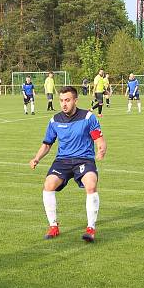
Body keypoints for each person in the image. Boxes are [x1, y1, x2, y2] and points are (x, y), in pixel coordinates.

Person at [29, 86, 107, 243]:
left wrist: (101, 149)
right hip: (63, 160)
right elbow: (47, 144)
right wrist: (37, 158)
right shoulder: (55, 120)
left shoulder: (88, 117)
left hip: (84, 159)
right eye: (62, 100)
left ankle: (90, 229)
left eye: (67, 100)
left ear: (75, 101)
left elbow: (99, 139)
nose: (64, 104)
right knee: (48, 184)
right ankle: (53, 226)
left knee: (91, 185)